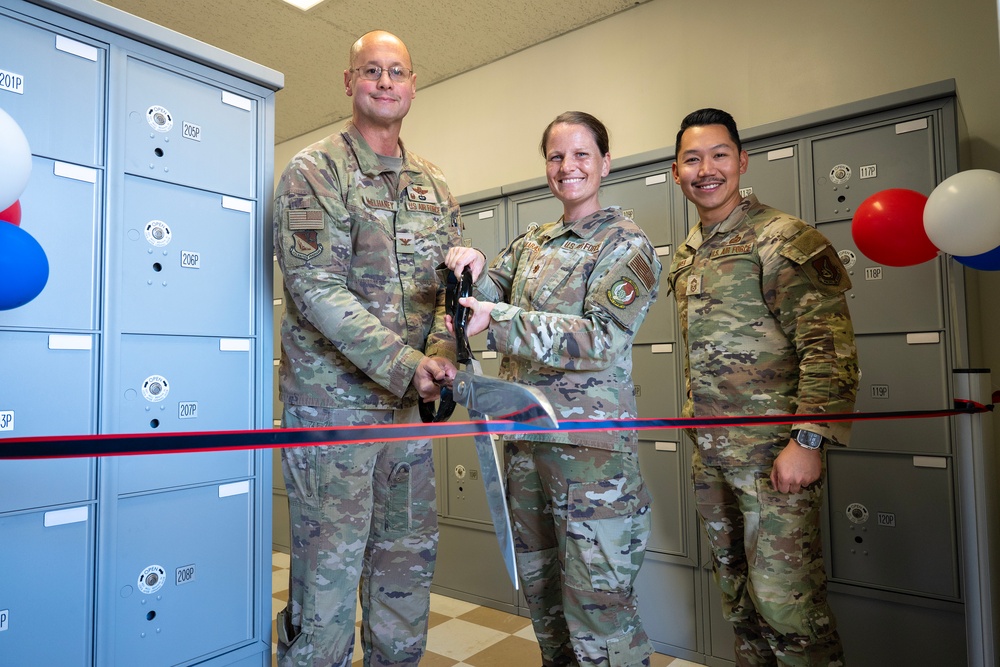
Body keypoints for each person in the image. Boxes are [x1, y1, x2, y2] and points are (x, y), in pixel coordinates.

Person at [272, 30, 462, 667]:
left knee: (404, 571)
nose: (386, 82)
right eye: (372, 71)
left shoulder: (434, 184)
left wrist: (440, 355)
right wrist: (412, 366)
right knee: (327, 582)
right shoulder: (313, 171)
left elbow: (449, 289)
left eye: (398, 72)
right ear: (349, 82)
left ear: (413, 84)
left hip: (407, 418)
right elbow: (315, 286)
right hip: (334, 417)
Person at [446, 111, 661, 667]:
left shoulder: (627, 245)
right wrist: (467, 268)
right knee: (544, 603)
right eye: (557, 156)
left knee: (599, 613)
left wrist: (496, 318)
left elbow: (601, 338)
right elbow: (481, 296)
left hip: (591, 462)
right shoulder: (533, 243)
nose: (568, 167)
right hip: (526, 450)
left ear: (605, 162)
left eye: (582, 154)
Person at [667, 108, 859, 666]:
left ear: (742, 161)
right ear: (676, 171)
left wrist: (809, 440)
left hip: (775, 459)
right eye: (692, 158)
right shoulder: (690, 250)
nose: (707, 169)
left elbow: (829, 347)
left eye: (719, 155)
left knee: (788, 608)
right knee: (740, 603)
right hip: (713, 457)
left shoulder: (782, 239)